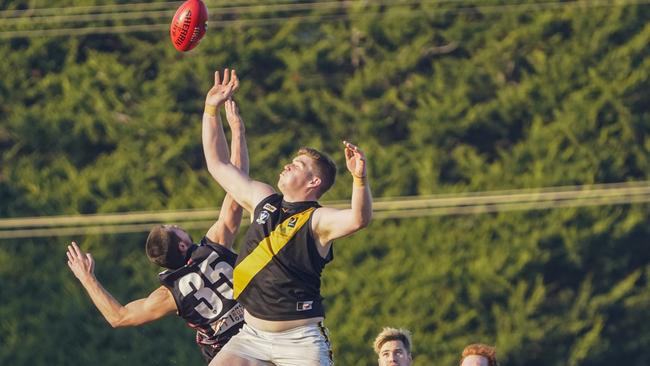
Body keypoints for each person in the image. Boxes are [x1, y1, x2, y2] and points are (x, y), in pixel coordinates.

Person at [202, 69, 373, 366]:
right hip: (251, 335)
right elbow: (217, 163)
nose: (287, 166)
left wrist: (359, 179)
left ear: (313, 183)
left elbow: (359, 219)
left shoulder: (317, 221)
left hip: (300, 340)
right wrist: (211, 110)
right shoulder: (263, 199)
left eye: (298, 164)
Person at [66, 99, 249, 363]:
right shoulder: (215, 245)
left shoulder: (170, 293)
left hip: (228, 355)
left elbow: (120, 317)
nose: (177, 225)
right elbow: (238, 185)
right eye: (173, 228)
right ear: (183, 245)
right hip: (260, 335)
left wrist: (86, 277)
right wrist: (237, 131)